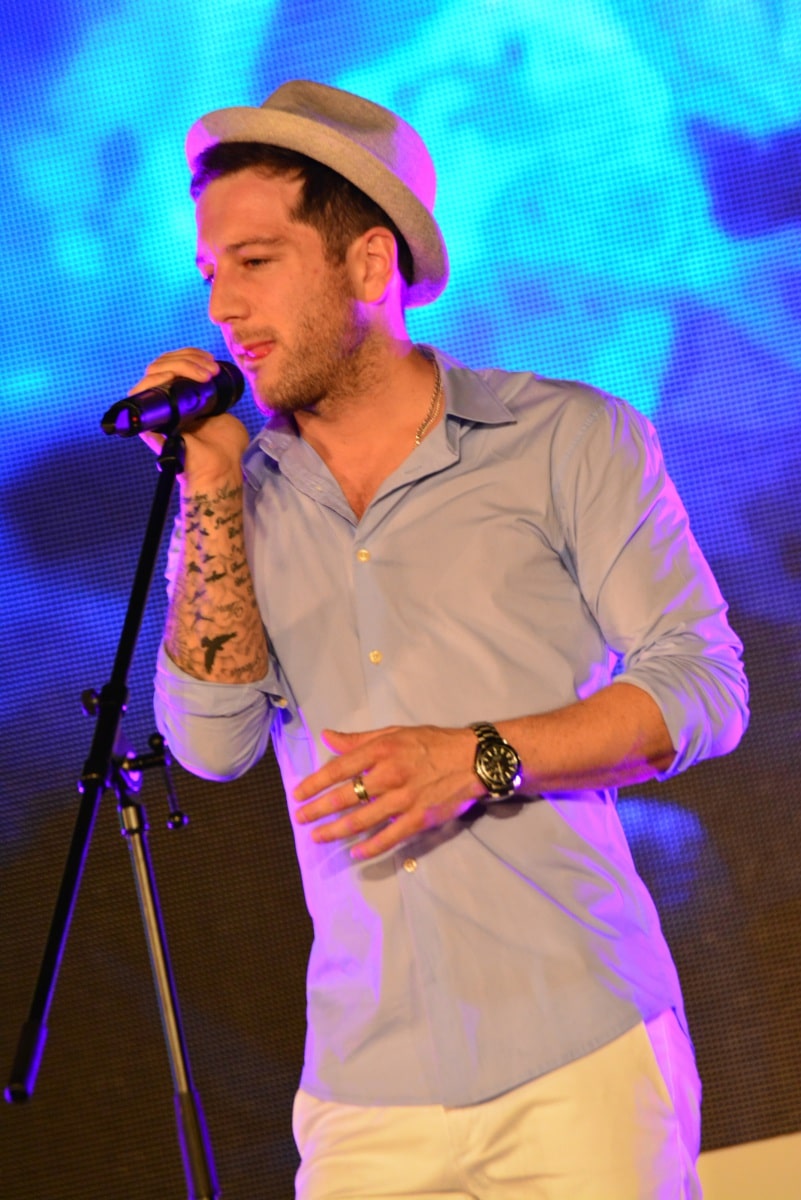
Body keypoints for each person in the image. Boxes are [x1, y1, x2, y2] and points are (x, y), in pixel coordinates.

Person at [139, 79, 749, 1199]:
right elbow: (211, 745)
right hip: (364, 1091)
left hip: (578, 1054)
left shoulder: (564, 438)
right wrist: (210, 489)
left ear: (370, 264)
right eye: (211, 270)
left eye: (257, 261)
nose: (222, 304)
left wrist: (479, 758)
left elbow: (702, 687)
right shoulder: (242, 499)